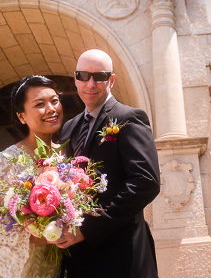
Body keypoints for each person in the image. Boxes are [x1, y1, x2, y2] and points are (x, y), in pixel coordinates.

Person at [53, 49, 160, 278]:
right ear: (76, 79)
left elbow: (146, 183)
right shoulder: (68, 128)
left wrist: (88, 229)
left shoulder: (129, 118)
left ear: (111, 80)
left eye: (99, 76)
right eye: (83, 76)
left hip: (123, 257)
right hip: (79, 261)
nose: (90, 83)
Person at [0, 75, 64, 278]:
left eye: (54, 101)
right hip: (6, 270)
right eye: (39, 104)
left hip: (52, 266)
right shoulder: (7, 161)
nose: (51, 109)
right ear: (22, 116)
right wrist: (36, 233)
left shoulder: (67, 160)